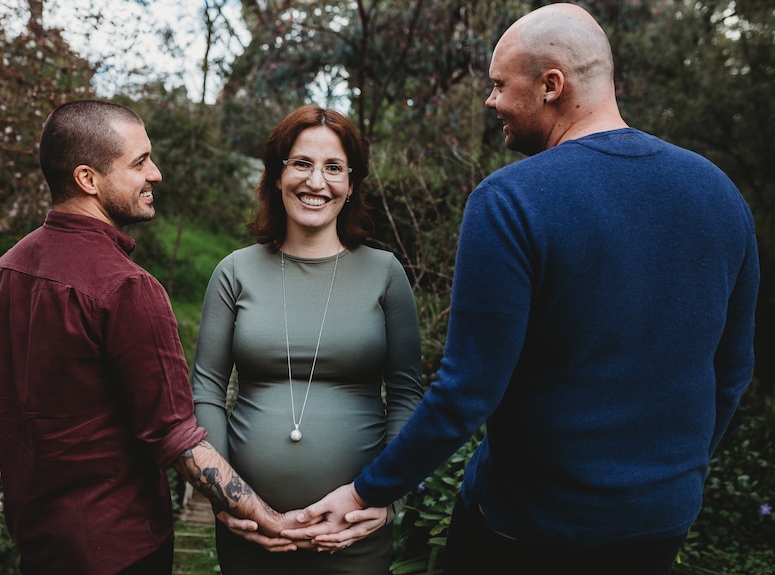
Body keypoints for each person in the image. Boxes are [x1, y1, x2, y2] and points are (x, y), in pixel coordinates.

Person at [282, 4, 760, 574]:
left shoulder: (511, 199)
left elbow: (469, 388)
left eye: (499, 85)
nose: (491, 102)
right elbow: (732, 369)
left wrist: (366, 492)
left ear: (551, 85)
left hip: (525, 530)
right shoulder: (720, 194)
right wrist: (675, 473)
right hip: (658, 524)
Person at [0, 100, 302, 575]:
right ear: (88, 179)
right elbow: (176, 438)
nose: (157, 174)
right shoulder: (127, 287)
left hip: (38, 544)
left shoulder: (5, 270)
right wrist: (262, 514)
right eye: (139, 162)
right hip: (120, 548)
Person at [190, 103, 423, 574]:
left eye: (333, 167)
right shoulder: (234, 272)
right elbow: (206, 391)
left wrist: (386, 498)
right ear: (277, 176)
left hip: (353, 528)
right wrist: (229, 498)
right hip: (250, 528)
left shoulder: (385, 273)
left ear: (351, 184)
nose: (316, 182)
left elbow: (406, 395)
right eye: (301, 163)